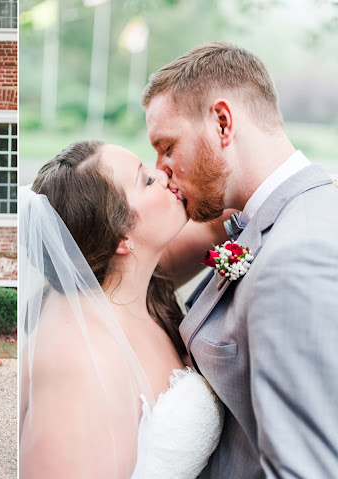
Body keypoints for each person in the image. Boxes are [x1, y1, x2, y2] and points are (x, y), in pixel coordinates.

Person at [143, 42, 338, 478]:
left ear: (222, 122)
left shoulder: (296, 259)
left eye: (167, 145)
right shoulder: (272, 221)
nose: (161, 168)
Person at [19, 141, 223, 478]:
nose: (163, 174)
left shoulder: (144, 287)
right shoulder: (80, 360)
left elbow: (218, 224)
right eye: (146, 180)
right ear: (121, 238)